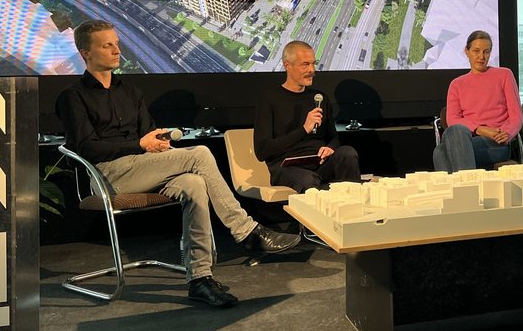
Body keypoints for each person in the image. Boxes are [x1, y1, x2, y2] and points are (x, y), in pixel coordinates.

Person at [56, 20, 300, 309]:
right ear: (86, 53)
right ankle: (246, 231)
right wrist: (139, 145)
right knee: (199, 154)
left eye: (116, 43)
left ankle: (199, 279)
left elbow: (147, 135)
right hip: (107, 175)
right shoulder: (73, 97)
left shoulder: (131, 92)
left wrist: (158, 144)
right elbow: (86, 148)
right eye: (107, 45)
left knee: (194, 183)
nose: (116, 49)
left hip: (142, 166)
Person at [253, 40, 361, 193]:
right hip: (287, 169)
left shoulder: (319, 98)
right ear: (287, 66)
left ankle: (353, 207)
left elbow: (334, 137)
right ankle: (325, 209)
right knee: (308, 180)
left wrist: (330, 148)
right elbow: (262, 151)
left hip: (319, 164)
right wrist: (304, 129)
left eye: (313, 64)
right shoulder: (269, 99)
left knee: (347, 153)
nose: (312, 70)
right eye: (305, 64)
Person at [433, 30, 523, 173]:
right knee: (455, 133)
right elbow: (453, 119)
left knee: (441, 152)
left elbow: (516, 116)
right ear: (466, 51)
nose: (481, 57)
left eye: (486, 52)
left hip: (496, 142)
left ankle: (463, 191)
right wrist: (480, 129)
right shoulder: (457, 84)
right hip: (468, 138)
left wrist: (506, 133)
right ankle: (469, 187)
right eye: (476, 51)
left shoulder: (504, 75)